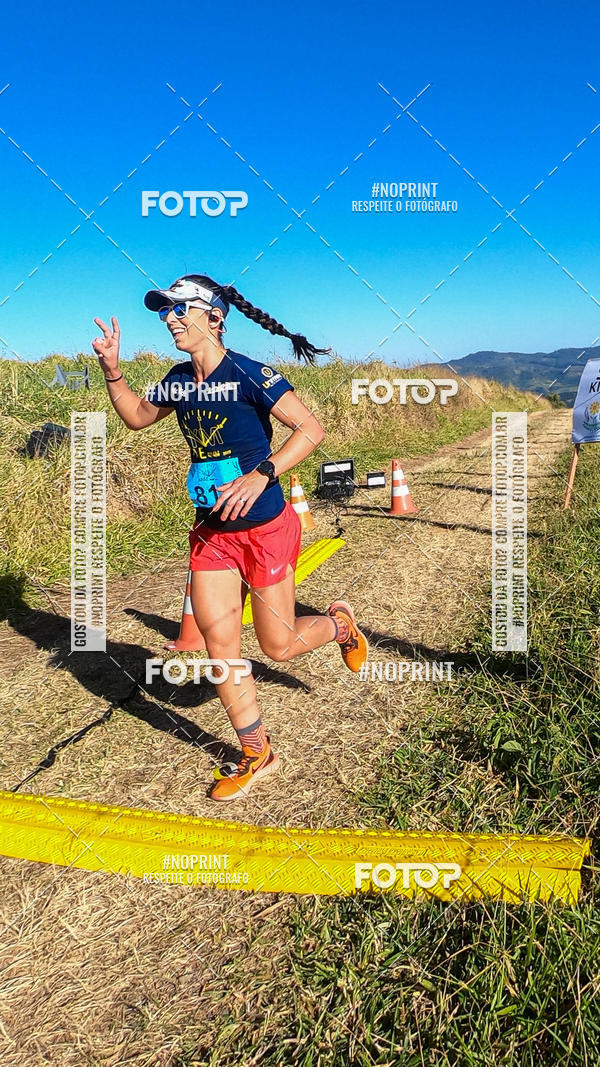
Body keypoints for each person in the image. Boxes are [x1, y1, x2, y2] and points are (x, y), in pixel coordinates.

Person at [92, 274, 368, 801]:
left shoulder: (248, 373)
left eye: (179, 310)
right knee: (221, 647)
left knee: (278, 645)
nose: (170, 319)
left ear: (213, 317)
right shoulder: (177, 379)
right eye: (164, 312)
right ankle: (257, 751)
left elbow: (310, 430)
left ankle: (339, 626)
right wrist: (113, 372)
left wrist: (262, 473)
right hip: (212, 534)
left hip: (264, 529)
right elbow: (135, 417)